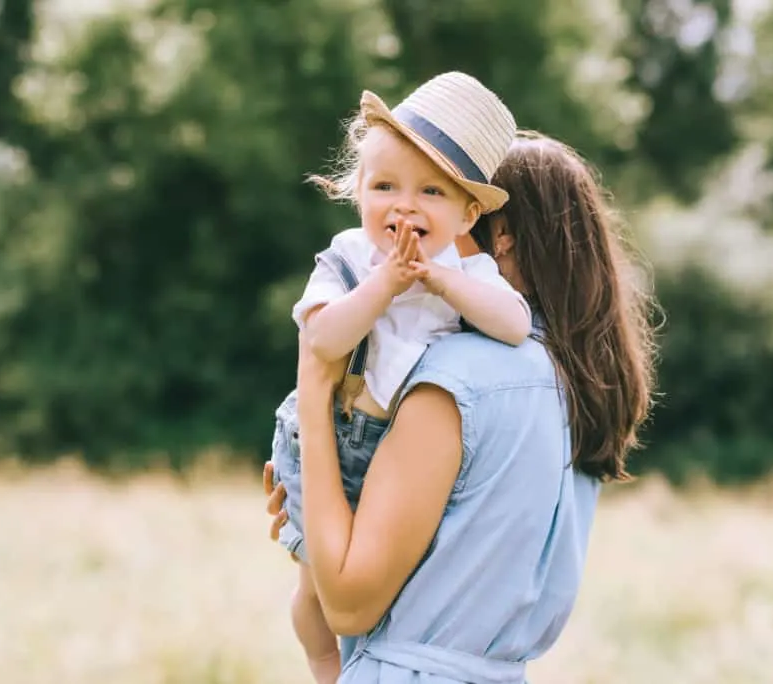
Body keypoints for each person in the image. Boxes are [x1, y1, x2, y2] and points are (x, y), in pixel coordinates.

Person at [263, 129, 657, 683]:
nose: (417, 225)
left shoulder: (460, 376)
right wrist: (327, 516)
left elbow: (349, 604)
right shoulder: (580, 388)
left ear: (500, 237)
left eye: (441, 199)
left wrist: (313, 401)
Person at [269, 72, 532, 684]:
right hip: (331, 434)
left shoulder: (466, 274)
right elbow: (322, 342)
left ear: (467, 214)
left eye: (431, 193)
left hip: (396, 457)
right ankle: (326, 668)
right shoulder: (349, 258)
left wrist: (444, 283)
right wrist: (385, 283)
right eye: (384, 185)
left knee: (383, 588)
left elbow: (515, 325)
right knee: (317, 591)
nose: (405, 205)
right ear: (357, 191)